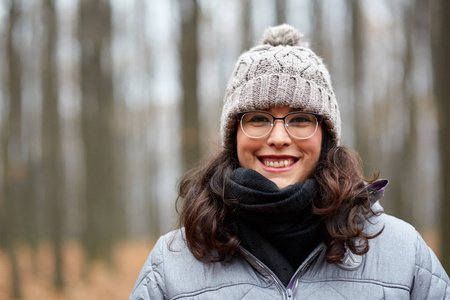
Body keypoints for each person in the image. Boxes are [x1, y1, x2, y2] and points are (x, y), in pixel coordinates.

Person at [130, 24, 450, 299]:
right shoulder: (172, 262)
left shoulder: (403, 252)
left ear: (325, 135)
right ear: (234, 135)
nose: (279, 138)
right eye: (258, 118)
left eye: (299, 119)